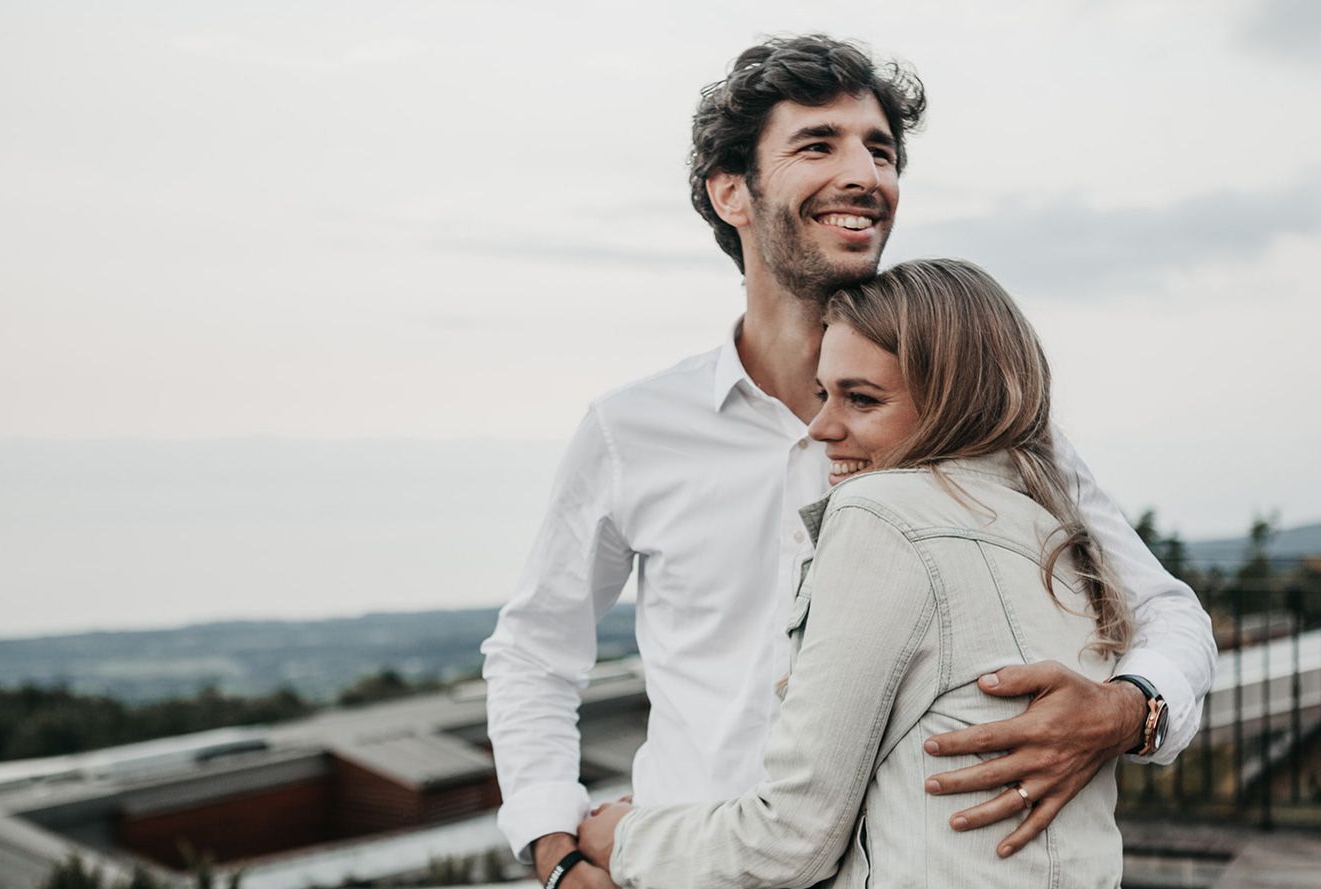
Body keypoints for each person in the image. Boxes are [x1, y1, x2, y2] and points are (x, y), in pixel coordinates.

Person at [480, 35, 1216, 889]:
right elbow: (535, 649)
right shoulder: (630, 429)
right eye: (818, 143)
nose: (866, 172)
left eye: (881, 149)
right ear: (731, 192)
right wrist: (553, 849)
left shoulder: (981, 419)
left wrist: (1127, 710)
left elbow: (1167, 609)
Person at [575, 258, 1139, 888]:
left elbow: (791, 838)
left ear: (953, 400)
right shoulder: (1058, 530)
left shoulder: (881, 513)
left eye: (861, 399)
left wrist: (620, 839)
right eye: (824, 394)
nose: (821, 428)